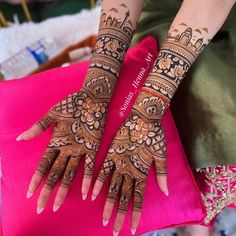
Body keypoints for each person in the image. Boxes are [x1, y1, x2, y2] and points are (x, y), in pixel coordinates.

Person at [16, 0, 236, 235]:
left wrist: (149, 106)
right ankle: (187, 207)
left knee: (218, 101)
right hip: (161, 13)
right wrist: (96, 89)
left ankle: (198, 206)